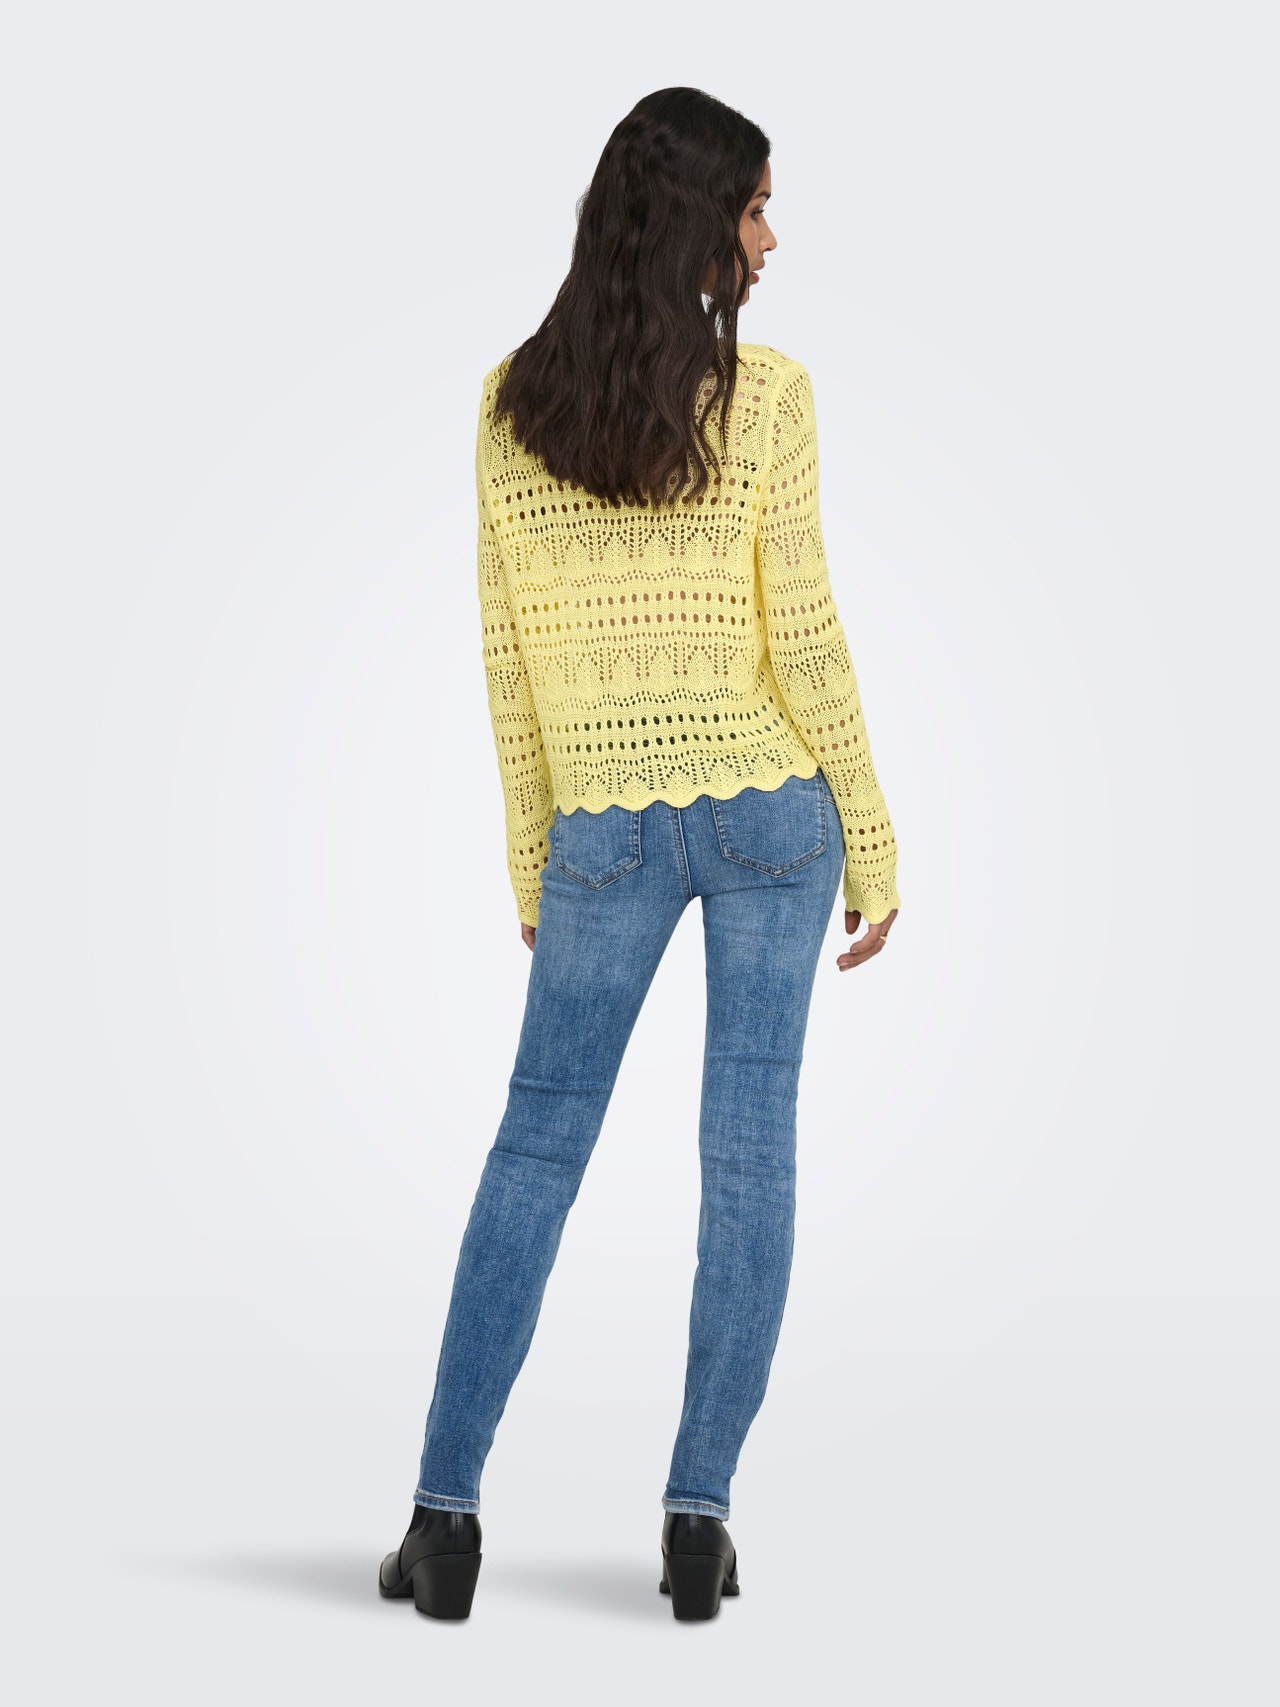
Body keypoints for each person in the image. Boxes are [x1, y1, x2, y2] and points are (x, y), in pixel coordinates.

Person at [378, 85, 902, 1624]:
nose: (771, 239)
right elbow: (804, 636)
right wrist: (871, 832)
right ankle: (695, 1527)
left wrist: (531, 856)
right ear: (694, 222)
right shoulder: (771, 397)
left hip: (600, 828)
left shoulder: (511, 405)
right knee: (749, 1155)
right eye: (754, 208)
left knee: (534, 1149)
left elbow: (508, 662)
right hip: (772, 816)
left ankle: (445, 1524)